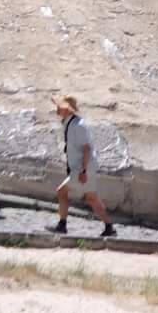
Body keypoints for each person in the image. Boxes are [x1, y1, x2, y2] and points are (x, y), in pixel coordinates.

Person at [48, 95, 116, 237]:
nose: (57, 109)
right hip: (81, 168)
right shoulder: (70, 123)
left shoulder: (78, 126)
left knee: (62, 191)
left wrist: (83, 171)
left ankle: (62, 225)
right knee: (91, 198)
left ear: (67, 110)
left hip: (82, 168)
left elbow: (86, 149)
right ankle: (109, 227)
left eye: (60, 107)